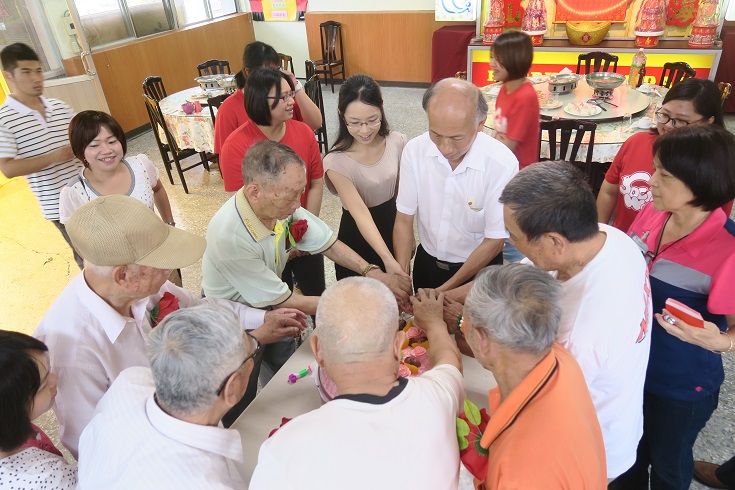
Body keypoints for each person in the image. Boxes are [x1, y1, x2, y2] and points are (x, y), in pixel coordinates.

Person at [35, 195, 307, 457]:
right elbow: (91, 444)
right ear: (124, 276)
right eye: (161, 263)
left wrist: (261, 318)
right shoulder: (73, 350)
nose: (171, 269)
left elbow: (199, 307)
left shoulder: (140, 286)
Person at [445, 161, 652, 482]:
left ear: (554, 241)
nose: (510, 243)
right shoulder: (609, 238)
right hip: (616, 418)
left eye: (514, 237)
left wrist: (459, 322)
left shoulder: (578, 330)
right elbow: (524, 271)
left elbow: (506, 360)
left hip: (594, 451)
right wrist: (456, 294)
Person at [203, 141, 412, 408]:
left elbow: (329, 244)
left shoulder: (277, 205)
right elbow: (285, 301)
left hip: (271, 299)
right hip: (235, 316)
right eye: (290, 196)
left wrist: (374, 273)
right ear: (255, 191)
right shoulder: (230, 236)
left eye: (300, 193)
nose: (296, 205)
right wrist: (364, 303)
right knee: (239, 391)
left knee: (284, 373)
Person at [250, 278, 464, 489]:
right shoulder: (441, 396)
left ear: (317, 350)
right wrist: (435, 322)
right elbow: (449, 359)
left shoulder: (283, 448)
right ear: (398, 344)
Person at [620, 125, 735, 489]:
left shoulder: (728, 250)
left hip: (680, 387)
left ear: (701, 184)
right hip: (630, 368)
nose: (651, 181)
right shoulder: (655, 213)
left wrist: (722, 342)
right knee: (628, 456)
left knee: (669, 466)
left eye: (664, 175)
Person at [460, 264, 606, 488]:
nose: (462, 328)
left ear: (481, 339)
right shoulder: (560, 359)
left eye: (463, 323)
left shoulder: (520, 472)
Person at [78, 305, 256, 488]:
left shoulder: (129, 383)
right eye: (252, 354)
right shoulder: (202, 483)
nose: (253, 353)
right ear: (231, 388)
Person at [393, 78, 518, 292]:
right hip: (428, 262)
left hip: (479, 272)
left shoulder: (501, 164)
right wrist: (403, 277)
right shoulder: (415, 151)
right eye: (436, 134)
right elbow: (404, 219)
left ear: (480, 124)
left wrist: (444, 291)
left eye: (457, 138)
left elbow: (495, 240)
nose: (445, 148)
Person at [220, 67, 326, 305]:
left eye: (291, 94)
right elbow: (244, 206)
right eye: (283, 97)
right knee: (279, 307)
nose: (291, 102)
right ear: (258, 99)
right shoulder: (236, 146)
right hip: (264, 244)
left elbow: (316, 183)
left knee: (317, 296)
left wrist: (304, 230)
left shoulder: (304, 132)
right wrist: (283, 245)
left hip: (303, 234)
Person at [597, 78, 727, 232]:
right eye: (664, 114)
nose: (667, 126)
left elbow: (714, 228)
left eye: (680, 120)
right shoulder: (636, 142)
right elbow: (609, 191)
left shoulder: (716, 166)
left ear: (708, 122)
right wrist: (600, 233)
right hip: (625, 242)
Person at [0, 43, 82, 268]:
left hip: (88, 191)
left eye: (38, 70)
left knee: (112, 247)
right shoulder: (4, 120)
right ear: (9, 76)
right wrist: (56, 155)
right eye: (26, 72)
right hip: (58, 205)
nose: (36, 78)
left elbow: (83, 139)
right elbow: (8, 169)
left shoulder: (59, 107)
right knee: (90, 261)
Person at [323, 74, 408, 279]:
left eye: (372, 120)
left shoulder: (397, 142)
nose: (364, 130)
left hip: (392, 225)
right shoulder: (336, 161)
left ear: (382, 108)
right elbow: (360, 212)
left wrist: (406, 240)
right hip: (357, 235)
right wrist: (387, 259)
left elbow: (403, 198)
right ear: (341, 115)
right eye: (355, 122)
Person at [59, 110, 174, 226]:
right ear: (79, 150)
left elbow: (158, 189)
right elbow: (77, 237)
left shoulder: (141, 166)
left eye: (112, 141)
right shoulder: (74, 192)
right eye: (94, 145)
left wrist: (169, 224)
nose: (107, 150)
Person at [213, 41, 322, 154]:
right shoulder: (228, 110)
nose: (275, 76)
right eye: (267, 71)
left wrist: (296, 87)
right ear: (248, 72)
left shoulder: (286, 97)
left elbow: (315, 123)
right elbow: (226, 155)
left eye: (277, 70)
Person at [0, 331, 77, 489]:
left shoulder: (9, 429)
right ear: (12, 408)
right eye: (43, 384)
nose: (55, 378)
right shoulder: (45, 479)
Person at [490, 31, 540, 170]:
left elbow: (507, 147)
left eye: (497, 58)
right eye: (492, 57)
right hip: (502, 164)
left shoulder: (525, 98)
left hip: (518, 171)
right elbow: (499, 132)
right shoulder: (504, 89)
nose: (491, 63)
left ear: (514, 60)